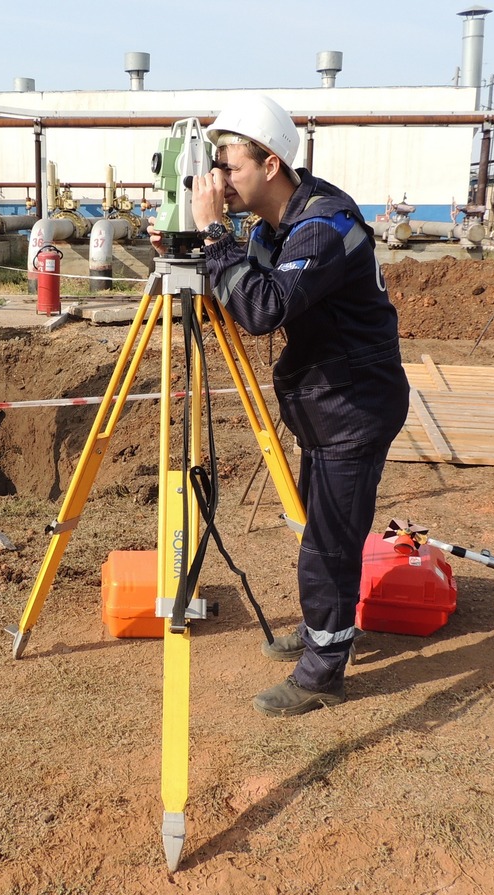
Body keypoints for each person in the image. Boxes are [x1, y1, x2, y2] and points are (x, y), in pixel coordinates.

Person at [148, 94, 409, 718]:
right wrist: (199, 241)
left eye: (228, 165)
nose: (218, 179)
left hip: (355, 404)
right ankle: (327, 629)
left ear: (270, 165)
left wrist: (214, 236)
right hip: (327, 401)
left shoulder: (323, 226)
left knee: (328, 541)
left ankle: (323, 671)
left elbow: (262, 309)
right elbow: (245, 288)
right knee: (323, 530)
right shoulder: (278, 224)